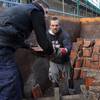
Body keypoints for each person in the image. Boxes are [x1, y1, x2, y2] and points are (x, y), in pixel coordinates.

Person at [0, 0, 54, 99]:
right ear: (41, 5)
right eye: (46, 12)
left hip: (5, 47)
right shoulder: (36, 11)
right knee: (10, 84)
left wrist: (29, 46)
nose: (45, 16)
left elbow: (12, 33)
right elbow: (43, 40)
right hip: (3, 49)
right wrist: (51, 52)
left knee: (17, 79)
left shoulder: (20, 10)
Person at [47, 16, 73, 95]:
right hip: (53, 61)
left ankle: (71, 92)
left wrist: (61, 50)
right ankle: (57, 93)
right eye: (53, 25)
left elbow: (68, 48)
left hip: (65, 60)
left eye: (57, 25)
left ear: (59, 25)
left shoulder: (64, 35)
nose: (55, 27)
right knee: (54, 77)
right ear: (50, 26)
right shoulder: (46, 35)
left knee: (69, 77)